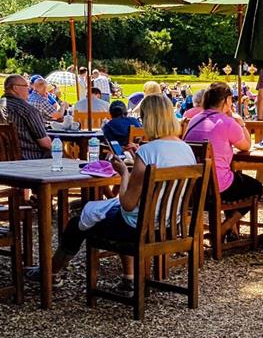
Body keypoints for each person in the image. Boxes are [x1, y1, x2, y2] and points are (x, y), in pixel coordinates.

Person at [27, 94, 196, 292]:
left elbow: (128, 204)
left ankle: (50, 273)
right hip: (169, 224)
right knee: (110, 210)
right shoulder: (186, 150)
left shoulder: (148, 152)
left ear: (149, 119)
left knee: (78, 223)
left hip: (136, 228)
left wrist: (124, 172)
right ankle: (129, 277)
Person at [184, 82, 261, 223]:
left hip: (195, 186)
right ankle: (226, 227)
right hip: (218, 187)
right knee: (256, 187)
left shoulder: (194, 120)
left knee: (234, 178)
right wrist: (240, 122)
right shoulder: (227, 123)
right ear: (226, 101)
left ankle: (230, 230)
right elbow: (246, 146)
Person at [0, 75, 52, 160]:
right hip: (27, 160)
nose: (29, 89)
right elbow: (45, 144)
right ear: (15, 88)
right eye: (26, 86)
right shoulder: (27, 110)